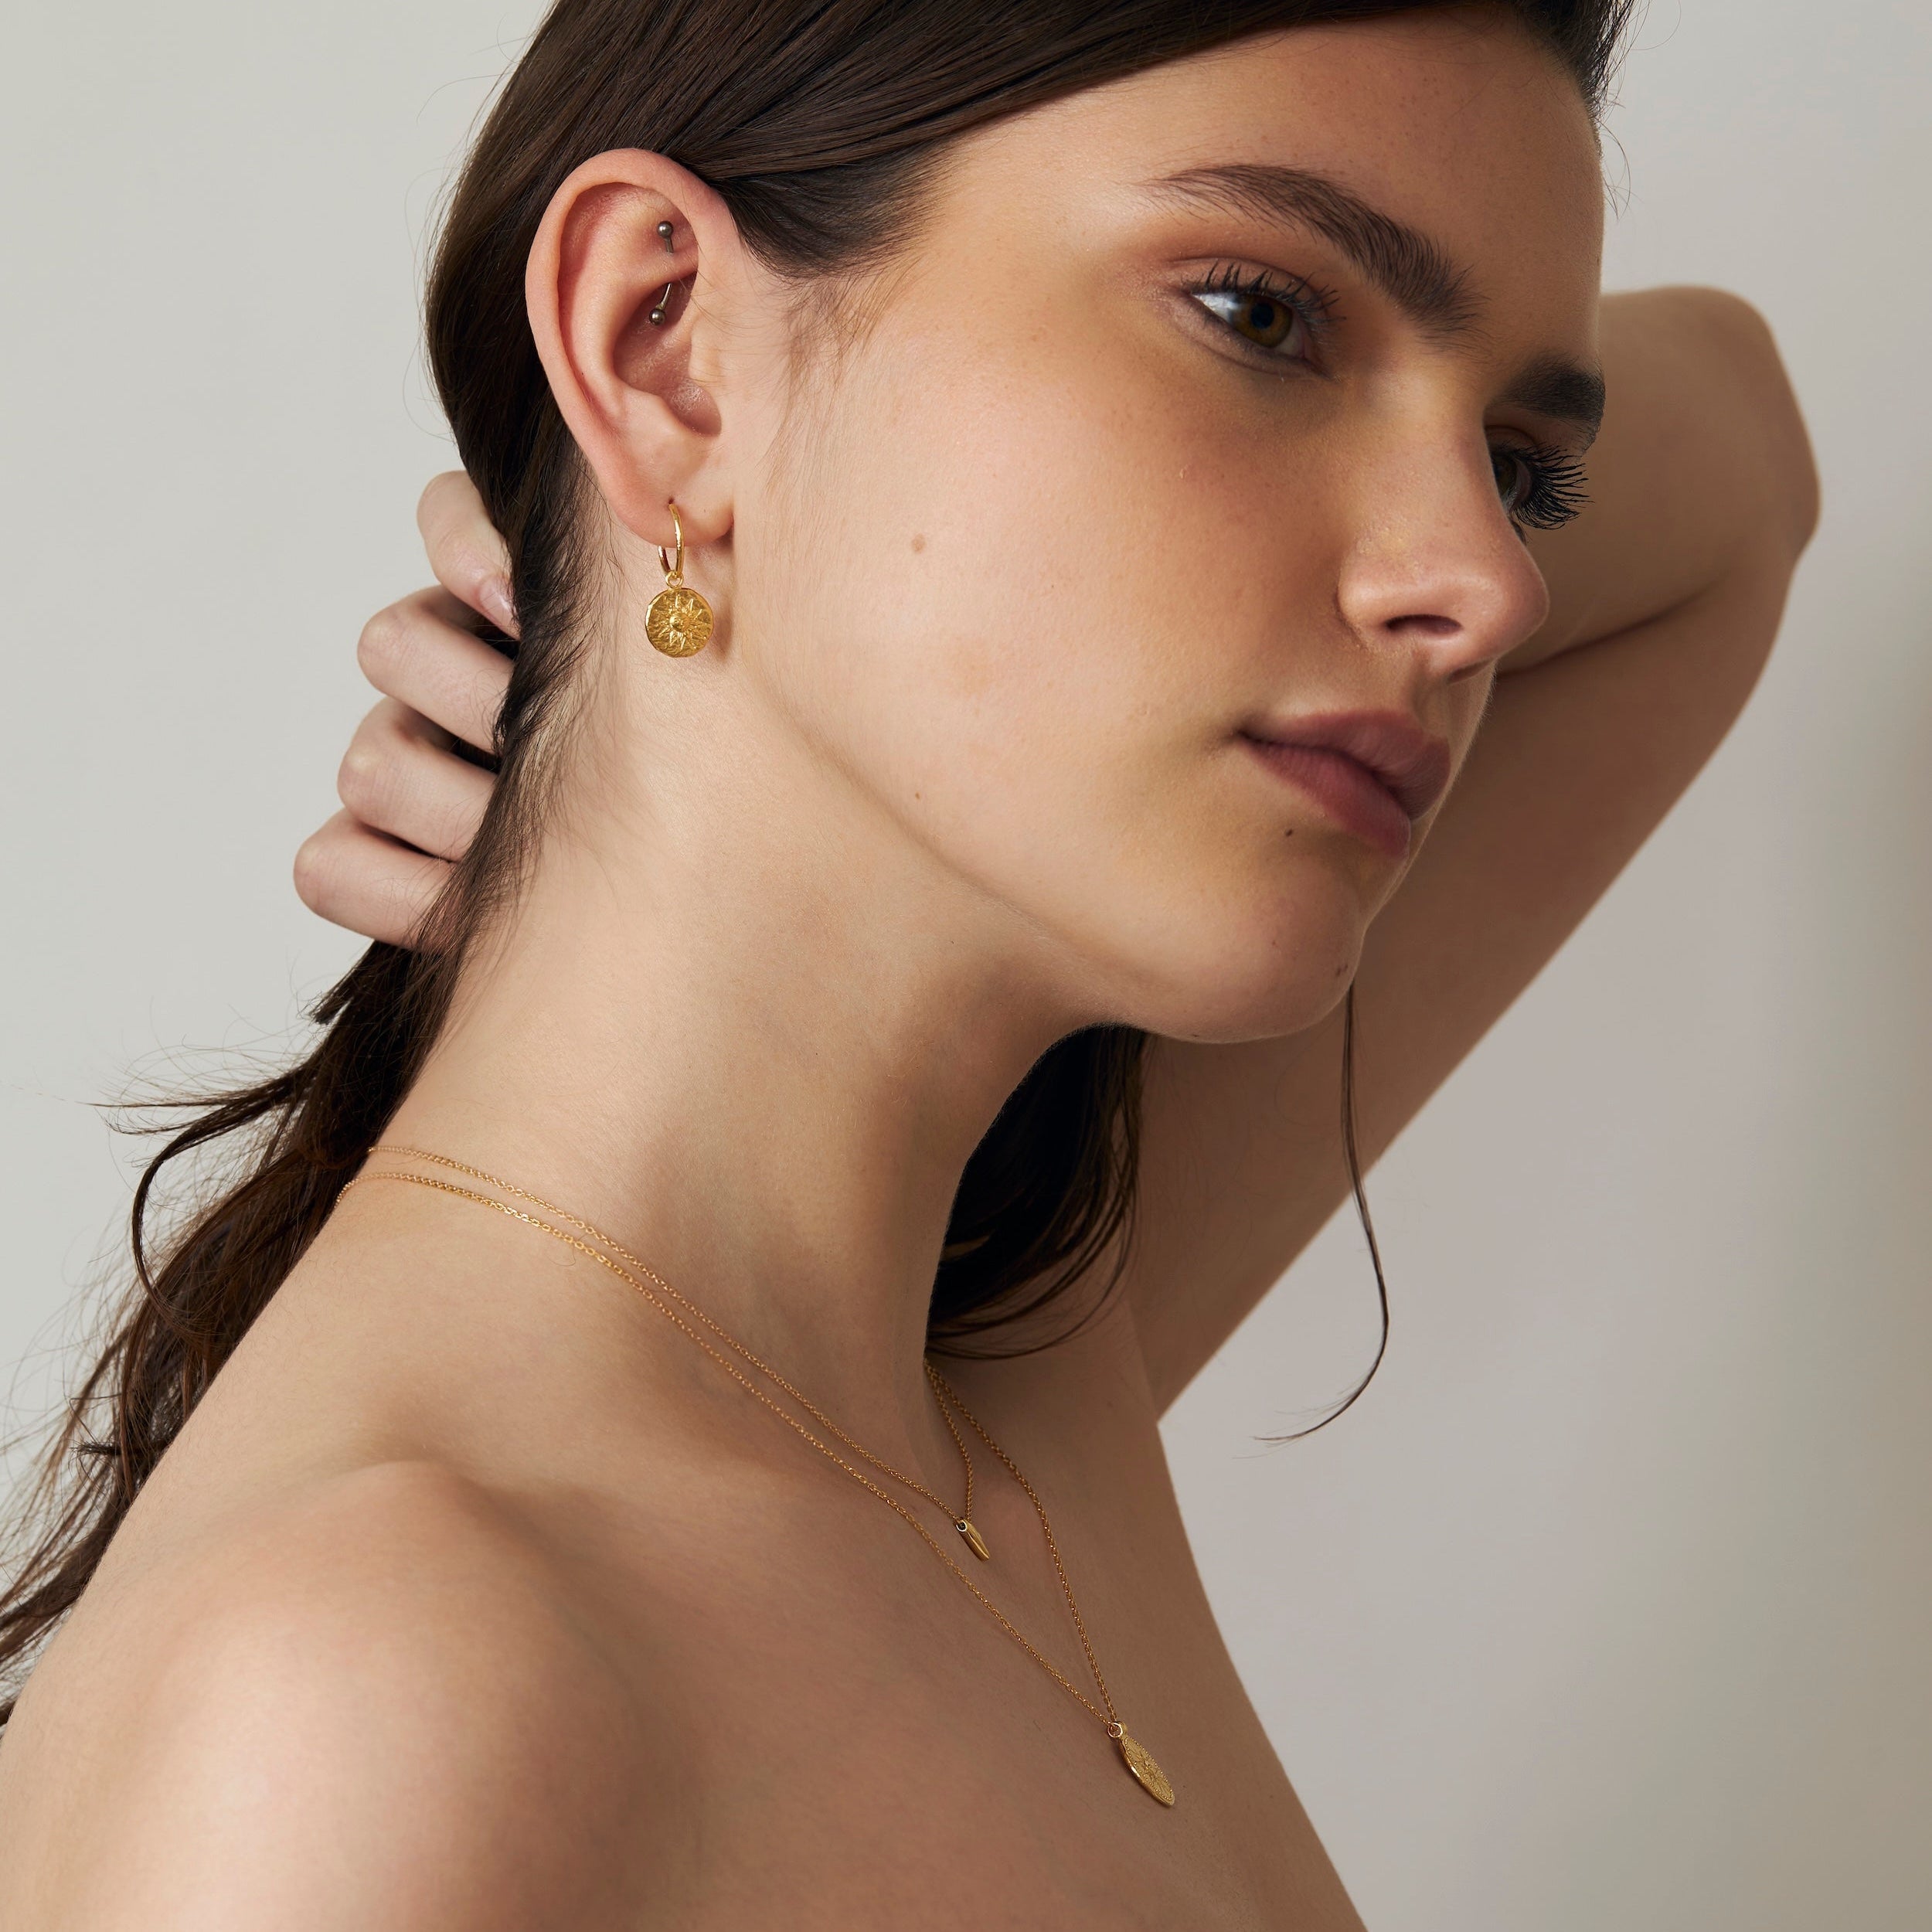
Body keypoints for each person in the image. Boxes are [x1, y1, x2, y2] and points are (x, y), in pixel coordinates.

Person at [0, 2, 1817, 1924]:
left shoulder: (988, 1345)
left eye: (1518, 467)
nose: (1487, 582)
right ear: (661, 335)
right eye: (1260, 315)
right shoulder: (362, 1705)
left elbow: (1747, 452)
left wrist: (605, 552)